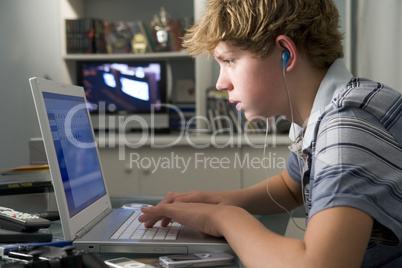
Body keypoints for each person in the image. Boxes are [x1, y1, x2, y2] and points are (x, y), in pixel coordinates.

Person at [139, 0, 402, 267]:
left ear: (285, 53)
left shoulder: (346, 131)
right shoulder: (322, 111)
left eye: (229, 60)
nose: (220, 83)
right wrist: (220, 201)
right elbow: (290, 188)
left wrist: (224, 218)